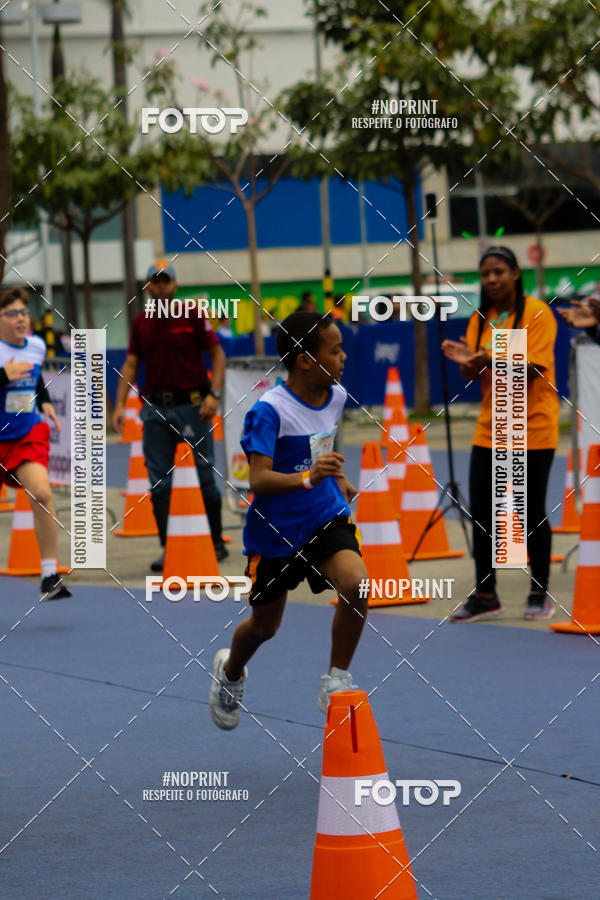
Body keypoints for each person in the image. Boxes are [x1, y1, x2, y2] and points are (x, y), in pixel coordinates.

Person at [209, 311, 368, 729]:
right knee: (264, 627)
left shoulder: (335, 396)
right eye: (334, 351)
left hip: (323, 514)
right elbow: (258, 480)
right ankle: (230, 672)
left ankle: (336, 679)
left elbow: (320, 450)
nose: (343, 358)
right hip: (275, 536)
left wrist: (337, 478)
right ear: (304, 361)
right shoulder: (268, 412)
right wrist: (307, 477)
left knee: (356, 582)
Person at [442, 246, 559, 622]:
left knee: (529, 513)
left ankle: (538, 591)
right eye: (486, 274)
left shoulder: (538, 313)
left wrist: (488, 357)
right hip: (490, 429)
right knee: (483, 513)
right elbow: (477, 374)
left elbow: (532, 369)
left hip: (533, 428)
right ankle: (486, 593)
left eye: (498, 272)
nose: (491, 280)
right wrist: (467, 364)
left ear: (515, 273)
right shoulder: (482, 318)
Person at [112, 260, 228, 570]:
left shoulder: (192, 314)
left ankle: (215, 542)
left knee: (205, 477)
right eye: (156, 280)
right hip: (155, 410)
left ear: (175, 285)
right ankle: (169, 547)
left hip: (194, 406)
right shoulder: (141, 323)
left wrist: (214, 395)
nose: (161, 285)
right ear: (148, 285)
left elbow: (218, 356)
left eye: (166, 280)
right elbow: (132, 364)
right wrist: (119, 404)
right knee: (159, 483)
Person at [0, 287, 70, 600]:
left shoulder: (38, 346)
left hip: (24, 434)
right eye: (12, 314)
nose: (20, 319)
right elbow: (12, 374)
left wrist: (46, 402)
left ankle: (49, 574)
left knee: (42, 493)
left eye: (24, 313)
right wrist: (4, 374)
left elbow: (36, 377)